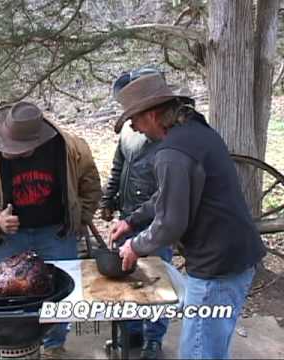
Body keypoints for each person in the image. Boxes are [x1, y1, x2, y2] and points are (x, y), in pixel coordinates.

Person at [109, 73, 267, 359]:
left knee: (199, 352)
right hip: (235, 259)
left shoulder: (172, 151)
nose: (134, 126)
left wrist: (135, 246)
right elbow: (168, 195)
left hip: (215, 269)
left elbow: (169, 223)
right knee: (212, 347)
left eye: (136, 119)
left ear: (154, 115)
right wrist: (132, 220)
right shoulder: (196, 133)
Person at [0, 100, 101, 357]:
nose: (8, 151)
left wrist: (81, 219)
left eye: (16, 149)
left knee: (59, 294)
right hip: (8, 239)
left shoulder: (69, 148)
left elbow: (90, 184)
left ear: (35, 142)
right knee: (4, 297)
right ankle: (8, 347)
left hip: (56, 233)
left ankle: (54, 346)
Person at [100, 67, 195, 359]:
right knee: (126, 284)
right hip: (131, 216)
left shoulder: (168, 138)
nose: (132, 122)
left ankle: (154, 339)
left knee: (157, 286)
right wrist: (109, 199)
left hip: (158, 222)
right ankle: (132, 334)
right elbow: (119, 167)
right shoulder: (130, 134)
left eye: (133, 113)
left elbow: (168, 196)